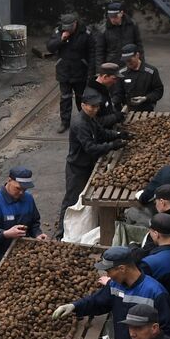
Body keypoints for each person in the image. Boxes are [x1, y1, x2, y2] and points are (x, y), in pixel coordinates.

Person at [52, 245, 170, 339]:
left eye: (108, 271)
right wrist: (74, 306)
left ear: (122, 268)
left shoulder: (155, 292)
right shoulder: (114, 285)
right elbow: (98, 301)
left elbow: (168, 330)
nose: (107, 276)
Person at [59, 92, 128, 237]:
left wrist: (118, 135)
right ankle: (62, 233)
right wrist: (112, 146)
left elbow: (101, 133)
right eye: (92, 106)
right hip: (77, 167)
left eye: (97, 106)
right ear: (83, 105)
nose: (95, 109)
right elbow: (90, 147)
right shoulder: (80, 123)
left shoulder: (90, 118)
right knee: (72, 199)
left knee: (87, 196)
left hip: (88, 164)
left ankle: (87, 226)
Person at [0, 166, 46, 276]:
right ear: (9, 180)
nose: (21, 193)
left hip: (24, 258)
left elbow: (34, 222)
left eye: (24, 190)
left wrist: (38, 234)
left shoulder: (28, 198)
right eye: (18, 188)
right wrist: (6, 234)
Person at [48, 13, 93, 133]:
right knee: (65, 98)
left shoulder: (86, 33)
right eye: (65, 27)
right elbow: (50, 47)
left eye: (70, 27)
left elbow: (92, 53)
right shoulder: (58, 31)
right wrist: (61, 39)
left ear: (75, 24)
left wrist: (91, 71)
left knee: (81, 98)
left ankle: (84, 120)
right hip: (64, 70)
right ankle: (65, 122)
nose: (67, 30)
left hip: (80, 70)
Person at [112, 45, 164, 112]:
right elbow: (118, 94)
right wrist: (113, 102)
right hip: (128, 110)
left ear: (137, 55)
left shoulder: (151, 71)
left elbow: (158, 91)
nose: (128, 63)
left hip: (147, 109)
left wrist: (145, 98)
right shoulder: (122, 73)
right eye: (125, 61)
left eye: (129, 60)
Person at [92, 2, 142, 68]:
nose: (112, 19)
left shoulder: (132, 25)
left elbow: (138, 45)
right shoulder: (103, 30)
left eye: (115, 16)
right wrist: (100, 71)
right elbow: (99, 52)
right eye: (110, 17)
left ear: (121, 13)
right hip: (112, 65)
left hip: (130, 63)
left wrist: (141, 63)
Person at [87, 63, 126, 127]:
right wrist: (115, 117)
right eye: (114, 78)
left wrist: (115, 113)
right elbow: (93, 122)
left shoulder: (103, 87)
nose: (115, 82)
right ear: (105, 76)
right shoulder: (93, 96)